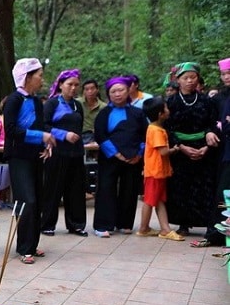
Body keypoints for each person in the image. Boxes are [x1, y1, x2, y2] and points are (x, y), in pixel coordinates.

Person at [3, 58, 55, 264]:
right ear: (27, 77)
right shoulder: (14, 100)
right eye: (39, 75)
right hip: (18, 157)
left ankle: (31, 245)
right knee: (27, 201)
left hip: (35, 156)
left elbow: (41, 127)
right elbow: (12, 131)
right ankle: (24, 248)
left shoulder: (35, 101)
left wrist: (46, 144)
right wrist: (40, 137)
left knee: (38, 200)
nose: (42, 79)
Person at [163, 62, 219, 245]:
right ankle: (183, 223)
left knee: (204, 187)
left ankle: (206, 223)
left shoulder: (207, 101)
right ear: (177, 80)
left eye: (193, 77)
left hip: (203, 149)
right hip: (180, 151)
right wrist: (180, 146)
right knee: (181, 187)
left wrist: (206, 147)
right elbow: (166, 129)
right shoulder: (170, 103)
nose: (189, 81)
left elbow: (214, 124)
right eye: (185, 78)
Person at [92, 76, 147, 238]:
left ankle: (125, 223)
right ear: (108, 94)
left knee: (129, 190)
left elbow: (145, 135)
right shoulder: (104, 113)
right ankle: (102, 225)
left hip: (134, 157)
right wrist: (116, 154)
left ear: (128, 90)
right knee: (106, 189)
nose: (117, 94)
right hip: (110, 158)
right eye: (113, 91)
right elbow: (100, 136)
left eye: (120, 90)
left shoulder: (137, 113)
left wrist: (139, 154)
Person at [40, 69, 88, 237]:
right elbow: (43, 126)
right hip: (56, 151)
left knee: (75, 189)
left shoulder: (78, 105)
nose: (73, 88)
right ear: (61, 85)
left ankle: (76, 224)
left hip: (75, 153)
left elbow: (80, 126)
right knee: (53, 189)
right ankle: (47, 224)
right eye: (69, 84)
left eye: (76, 85)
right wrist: (63, 135)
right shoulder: (52, 104)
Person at [137, 97, 183, 240]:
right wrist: (175, 149)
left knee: (159, 200)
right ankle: (143, 228)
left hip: (159, 171)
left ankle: (165, 229)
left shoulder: (155, 128)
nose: (168, 110)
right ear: (160, 114)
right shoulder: (156, 131)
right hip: (155, 172)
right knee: (150, 200)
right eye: (166, 108)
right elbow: (163, 152)